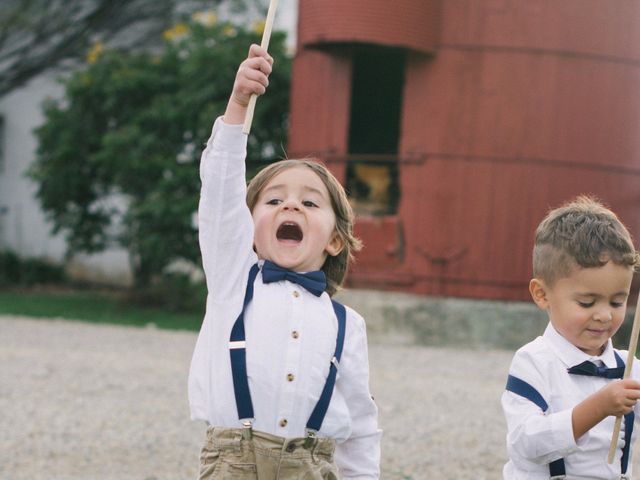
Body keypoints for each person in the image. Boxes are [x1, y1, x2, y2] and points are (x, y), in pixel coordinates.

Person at [188, 44, 381, 479]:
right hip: (232, 464)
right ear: (249, 231)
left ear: (335, 240)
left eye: (309, 203)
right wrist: (238, 104)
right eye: (274, 200)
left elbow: (362, 425)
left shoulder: (347, 324)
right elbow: (219, 194)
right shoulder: (233, 283)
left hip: (311, 466)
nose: (290, 207)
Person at [502, 196, 640, 478]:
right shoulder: (533, 362)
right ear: (542, 294)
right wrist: (597, 407)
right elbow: (526, 444)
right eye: (587, 303)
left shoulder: (630, 368)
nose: (604, 315)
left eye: (617, 302)